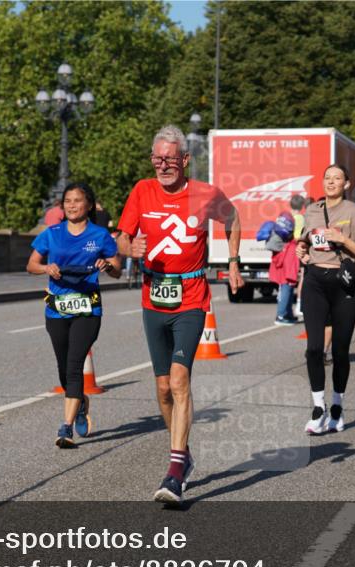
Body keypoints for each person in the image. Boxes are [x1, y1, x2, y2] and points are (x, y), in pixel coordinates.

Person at [116, 125, 244, 505]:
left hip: (190, 297)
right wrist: (128, 248)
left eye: (170, 159)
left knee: (179, 379)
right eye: (157, 159)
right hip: (153, 297)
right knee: (162, 388)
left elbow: (233, 219)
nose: (163, 165)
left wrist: (233, 262)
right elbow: (122, 237)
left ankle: (174, 472)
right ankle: (183, 453)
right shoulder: (142, 190)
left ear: (185, 160)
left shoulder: (204, 193)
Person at [27, 183, 121, 447]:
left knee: (74, 365)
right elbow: (31, 264)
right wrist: (46, 268)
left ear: (88, 205)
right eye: (67, 201)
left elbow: (117, 269)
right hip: (56, 308)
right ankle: (79, 403)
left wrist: (106, 265)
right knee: (63, 368)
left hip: (88, 308)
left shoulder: (100, 235)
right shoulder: (52, 233)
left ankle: (65, 428)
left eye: (77, 200)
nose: (71, 205)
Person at [295, 164, 355, 433]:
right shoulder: (313, 210)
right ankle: (318, 407)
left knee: (340, 350)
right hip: (315, 281)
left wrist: (343, 240)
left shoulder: (354, 211)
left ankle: (337, 407)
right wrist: (301, 249)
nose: (331, 182)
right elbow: (306, 240)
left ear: (346, 184)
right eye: (327, 178)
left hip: (343, 284)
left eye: (336, 178)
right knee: (314, 349)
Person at [269, 212, 300, 324]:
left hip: (286, 268)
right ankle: (281, 316)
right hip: (288, 270)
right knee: (286, 291)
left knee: (288, 291)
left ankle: (288, 315)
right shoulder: (290, 245)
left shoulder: (283, 243)